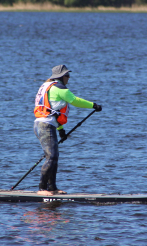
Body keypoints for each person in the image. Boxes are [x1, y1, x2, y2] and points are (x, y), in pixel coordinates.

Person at [34, 65, 102, 196]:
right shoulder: (59, 88)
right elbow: (75, 101)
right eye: (67, 75)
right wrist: (94, 105)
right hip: (45, 126)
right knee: (52, 156)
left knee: (54, 157)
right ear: (61, 76)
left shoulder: (48, 86)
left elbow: (53, 111)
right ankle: (42, 189)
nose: (69, 78)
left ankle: (52, 188)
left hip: (45, 124)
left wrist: (60, 130)